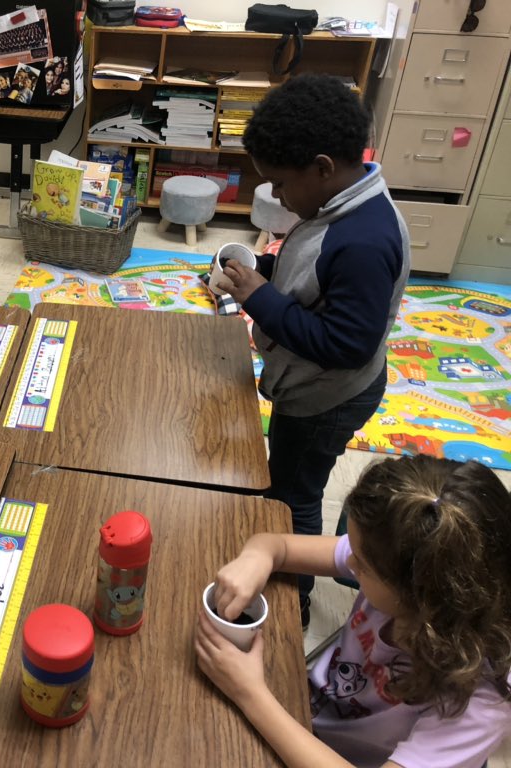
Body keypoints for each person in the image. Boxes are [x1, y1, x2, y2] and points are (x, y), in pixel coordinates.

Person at [217, 73, 411, 626]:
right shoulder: (334, 207)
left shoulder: (365, 240)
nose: (277, 196)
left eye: (279, 183)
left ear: (324, 167)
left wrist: (260, 299)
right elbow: (313, 281)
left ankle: (291, 604)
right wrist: (267, 271)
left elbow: (344, 345)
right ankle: (285, 571)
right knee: (286, 481)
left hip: (327, 396)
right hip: (308, 385)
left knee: (294, 496)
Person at [195, 455, 511, 767]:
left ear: (421, 596)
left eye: (361, 566)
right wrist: (257, 557)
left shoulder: (481, 703)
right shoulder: (399, 558)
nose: (349, 563)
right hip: (303, 713)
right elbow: (278, 546)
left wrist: (250, 693)